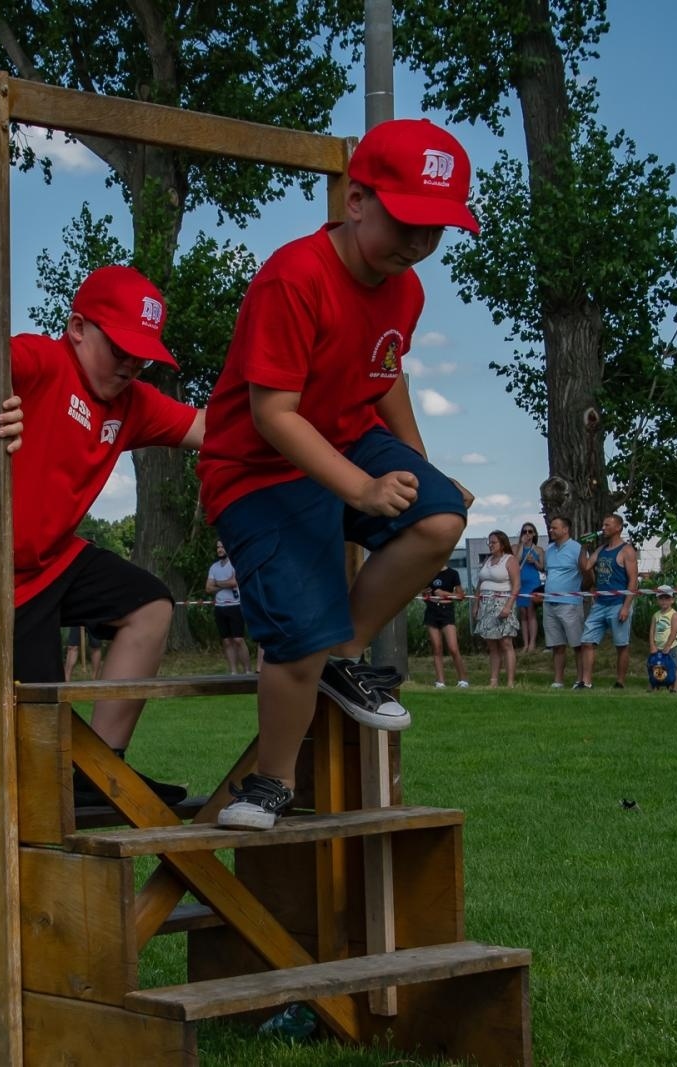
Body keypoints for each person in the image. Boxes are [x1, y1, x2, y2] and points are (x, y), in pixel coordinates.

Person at [196, 118, 477, 829]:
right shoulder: (295, 277)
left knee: (440, 516)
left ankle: (342, 653)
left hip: (348, 440)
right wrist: (361, 487)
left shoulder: (404, 290)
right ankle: (270, 782)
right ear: (356, 201)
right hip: (256, 471)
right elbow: (273, 415)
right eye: (408, 221)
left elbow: (385, 375)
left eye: (436, 230)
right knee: (295, 633)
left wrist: (416, 462)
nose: (419, 243)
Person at [0, 265, 204, 807]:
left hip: (45, 563)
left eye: (142, 355)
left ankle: (101, 772)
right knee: (36, 743)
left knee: (151, 606)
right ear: (76, 327)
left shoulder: (130, 401)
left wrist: (295, 423)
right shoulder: (46, 363)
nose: (130, 364)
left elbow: (210, 429)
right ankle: (59, 788)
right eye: (119, 348)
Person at [579, 515, 639, 689]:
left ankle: (620, 682)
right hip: (600, 603)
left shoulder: (627, 550)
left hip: (618, 602)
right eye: (603, 524)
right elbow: (586, 566)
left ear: (618, 527)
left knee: (621, 644)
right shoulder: (601, 549)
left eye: (607, 525)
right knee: (587, 641)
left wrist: (626, 606)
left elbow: (633, 580)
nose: (603, 527)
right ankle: (586, 682)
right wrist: (583, 548)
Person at [541, 516, 589, 689]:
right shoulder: (550, 550)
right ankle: (558, 680)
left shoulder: (577, 549)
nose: (551, 530)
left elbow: (587, 573)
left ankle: (580, 679)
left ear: (565, 529)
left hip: (570, 603)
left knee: (577, 644)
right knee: (557, 645)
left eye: (554, 528)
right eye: (550, 528)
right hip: (549, 602)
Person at [474, 531, 520, 687]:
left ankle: (510, 681)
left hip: (502, 602)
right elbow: (480, 584)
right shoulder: (487, 560)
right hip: (486, 603)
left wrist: (509, 605)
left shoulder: (510, 560)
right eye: (489, 542)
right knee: (492, 644)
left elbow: (516, 585)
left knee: (506, 643)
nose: (491, 545)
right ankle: (493, 680)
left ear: (502, 543)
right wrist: (476, 604)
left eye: (494, 542)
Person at [205, 540, 252, 675]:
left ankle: (248, 670)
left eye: (222, 547)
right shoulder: (214, 567)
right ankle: (233, 671)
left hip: (235, 605)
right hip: (220, 607)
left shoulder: (234, 564)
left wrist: (217, 584)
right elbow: (208, 588)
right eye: (218, 547)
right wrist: (226, 583)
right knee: (226, 641)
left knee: (238, 640)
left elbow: (234, 582)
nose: (219, 550)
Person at [422, 565, 469, 688]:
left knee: (453, 647)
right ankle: (440, 681)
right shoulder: (428, 572)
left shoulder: (453, 573)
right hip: (432, 611)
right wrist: (426, 594)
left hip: (446, 611)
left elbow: (460, 596)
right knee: (437, 647)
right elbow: (424, 597)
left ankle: (463, 679)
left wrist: (444, 594)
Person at [514, 522, 544, 654]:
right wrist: (522, 544)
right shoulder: (516, 547)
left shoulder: (538, 550)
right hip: (520, 583)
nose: (527, 534)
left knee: (531, 612)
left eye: (530, 531)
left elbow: (542, 567)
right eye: (524, 531)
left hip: (532, 582)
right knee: (523, 613)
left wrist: (535, 561)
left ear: (534, 534)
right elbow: (515, 561)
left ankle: (532, 643)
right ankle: (525, 644)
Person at [647, 585, 677, 692]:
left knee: (673, 667)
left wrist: (668, 645)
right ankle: (654, 685)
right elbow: (652, 631)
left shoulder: (674, 615)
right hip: (657, 647)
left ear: (672, 600)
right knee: (654, 666)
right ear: (657, 600)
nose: (664, 601)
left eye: (667, 598)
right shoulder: (656, 615)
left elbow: (674, 632)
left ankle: (675, 688)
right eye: (661, 598)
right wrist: (652, 644)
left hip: (671, 647)